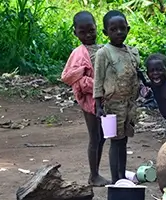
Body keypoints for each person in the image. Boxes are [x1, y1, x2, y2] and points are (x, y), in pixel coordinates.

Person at [61, 11, 109, 187]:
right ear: (75, 33)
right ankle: (93, 175)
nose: (88, 35)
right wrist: (96, 85)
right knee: (94, 137)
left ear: (97, 28)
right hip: (90, 102)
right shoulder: (78, 53)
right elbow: (71, 78)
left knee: (103, 137)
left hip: (106, 101)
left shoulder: (104, 48)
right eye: (82, 32)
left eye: (91, 30)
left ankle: (95, 173)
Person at [93, 10, 140, 184]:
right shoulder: (103, 53)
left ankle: (121, 177)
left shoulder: (132, 52)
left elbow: (136, 75)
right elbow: (98, 81)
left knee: (124, 140)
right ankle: (116, 180)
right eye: (113, 29)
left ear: (128, 29)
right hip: (112, 106)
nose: (119, 32)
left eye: (122, 28)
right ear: (106, 33)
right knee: (115, 141)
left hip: (129, 105)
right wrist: (98, 106)